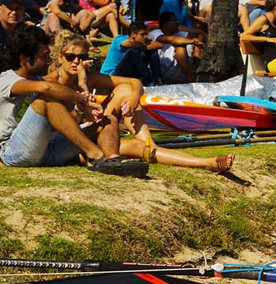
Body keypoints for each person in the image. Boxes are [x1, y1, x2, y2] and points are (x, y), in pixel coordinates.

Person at [1, 26, 230, 174]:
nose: (77, 62)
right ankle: (100, 156)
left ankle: (115, 159)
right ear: (58, 58)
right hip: (16, 150)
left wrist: (128, 98)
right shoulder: (13, 80)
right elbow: (48, 91)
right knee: (47, 100)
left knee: (114, 118)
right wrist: (85, 101)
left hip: (50, 145)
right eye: (71, 57)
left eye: (83, 58)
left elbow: (132, 83)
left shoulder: (81, 78)